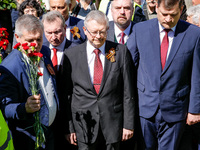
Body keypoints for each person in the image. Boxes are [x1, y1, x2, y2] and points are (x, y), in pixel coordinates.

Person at [127, 0, 200, 149]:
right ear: (156, 9)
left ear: (181, 9)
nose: (168, 19)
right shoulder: (140, 30)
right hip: (145, 108)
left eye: (173, 15)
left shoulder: (194, 34)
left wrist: (195, 109)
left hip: (176, 109)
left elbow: (197, 74)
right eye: (164, 14)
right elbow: (128, 69)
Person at [62, 10, 136, 150]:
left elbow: (128, 91)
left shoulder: (120, 52)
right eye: (94, 32)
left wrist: (128, 124)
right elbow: (67, 94)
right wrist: (69, 127)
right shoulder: (71, 55)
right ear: (84, 30)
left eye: (102, 32)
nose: (98, 36)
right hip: (83, 126)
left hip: (113, 124)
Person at [0, 15, 59, 150]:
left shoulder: (44, 51)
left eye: (39, 39)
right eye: (30, 41)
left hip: (50, 132)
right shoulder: (9, 68)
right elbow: (5, 107)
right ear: (17, 37)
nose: (35, 45)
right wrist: (24, 108)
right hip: (29, 139)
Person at [42, 10, 76, 149]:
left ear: (65, 28)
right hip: (49, 120)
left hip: (71, 117)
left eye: (57, 32)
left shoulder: (77, 51)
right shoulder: (41, 52)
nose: (54, 37)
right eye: (49, 33)